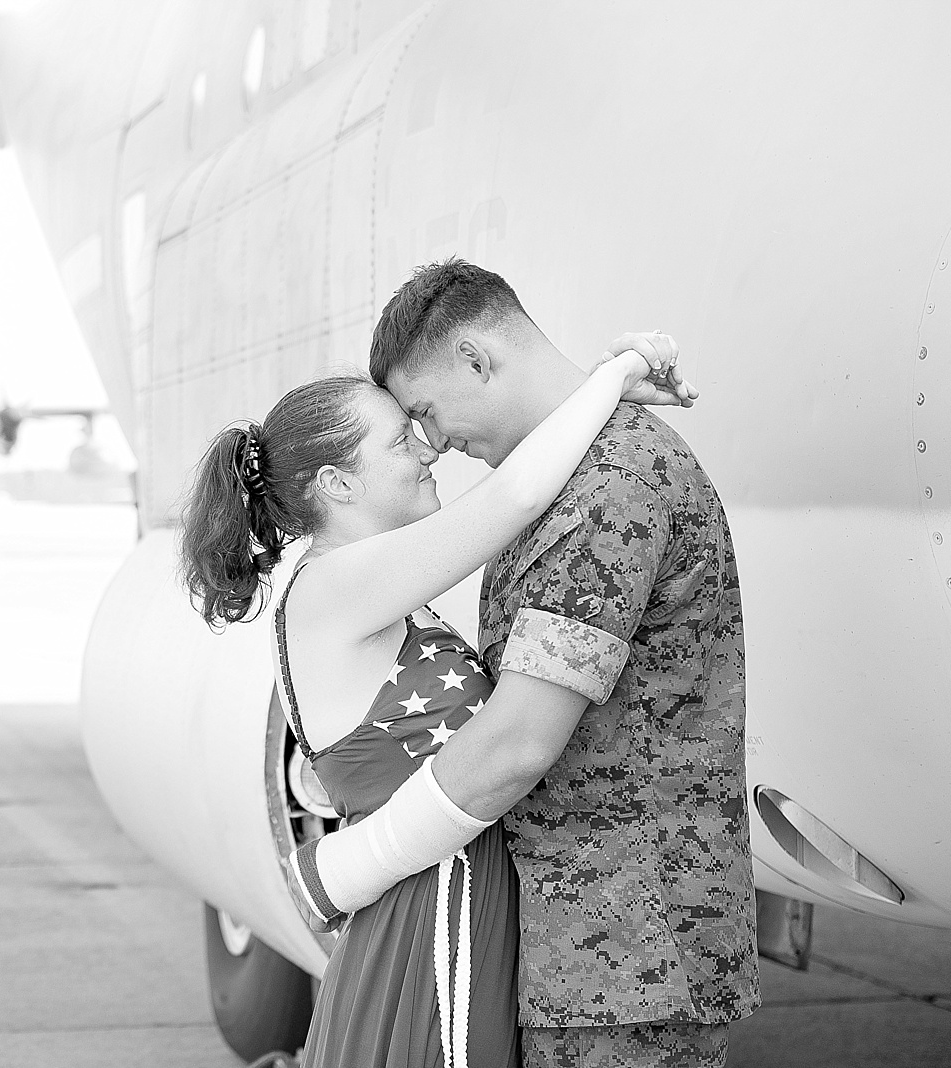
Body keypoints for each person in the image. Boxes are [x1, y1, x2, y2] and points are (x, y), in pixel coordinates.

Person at [179, 332, 691, 1068]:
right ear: (337, 482)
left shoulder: (366, 591)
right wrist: (616, 374)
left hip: (440, 905)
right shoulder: (332, 588)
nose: (429, 449)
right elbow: (515, 496)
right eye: (399, 440)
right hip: (433, 922)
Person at [298, 258, 759, 1068]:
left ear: (476, 359)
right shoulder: (573, 476)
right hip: (595, 946)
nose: (434, 443)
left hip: (623, 954)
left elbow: (514, 745)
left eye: (426, 411)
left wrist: (341, 869)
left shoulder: (605, 490)